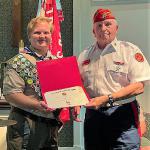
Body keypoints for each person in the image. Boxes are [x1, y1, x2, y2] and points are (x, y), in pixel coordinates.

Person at [78, 8, 150, 150]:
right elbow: (77, 84)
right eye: (99, 25)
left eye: (107, 24)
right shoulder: (84, 55)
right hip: (94, 115)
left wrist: (107, 98)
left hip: (122, 112)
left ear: (116, 28)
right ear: (93, 31)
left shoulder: (129, 50)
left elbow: (139, 86)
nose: (103, 28)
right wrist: (74, 103)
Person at [3, 16, 67, 150]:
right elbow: (11, 95)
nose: (42, 36)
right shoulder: (18, 61)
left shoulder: (57, 62)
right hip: (26, 124)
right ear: (29, 36)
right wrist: (37, 105)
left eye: (46, 32)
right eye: (37, 32)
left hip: (50, 125)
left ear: (51, 36)